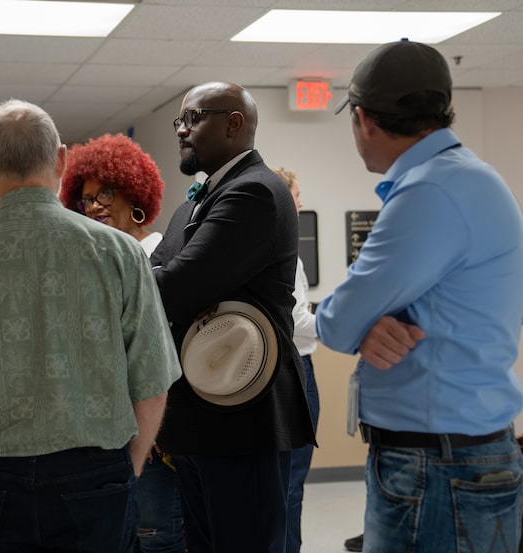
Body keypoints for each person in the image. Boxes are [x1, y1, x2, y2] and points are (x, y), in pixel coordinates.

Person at [0, 99, 181, 553]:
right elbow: (152, 385)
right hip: (96, 475)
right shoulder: (121, 253)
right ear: (63, 161)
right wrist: (129, 467)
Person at [317, 39, 523, 553]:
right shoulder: (470, 179)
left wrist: (361, 322)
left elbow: (338, 321)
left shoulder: (430, 192)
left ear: (362, 119)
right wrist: (368, 321)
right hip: (458, 455)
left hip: (436, 465)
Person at [150, 82, 315, 553]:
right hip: (200, 419)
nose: (181, 130)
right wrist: (176, 282)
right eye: (178, 120)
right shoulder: (198, 199)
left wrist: (177, 284)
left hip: (242, 420)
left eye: (193, 117)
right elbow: (158, 277)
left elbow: (169, 289)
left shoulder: (255, 193)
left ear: (234, 122)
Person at [60, 133, 184, 553]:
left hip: (157, 438)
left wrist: (145, 430)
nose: (94, 206)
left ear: (134, 193)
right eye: (86, 199)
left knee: (156, 539)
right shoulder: (101, 262)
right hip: (109, 439)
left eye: (104, 193)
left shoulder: (162, 256)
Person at [272, 167, 320, 553]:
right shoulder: (288, 252)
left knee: (278, 483)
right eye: (297, 195)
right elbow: (295, 320)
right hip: (296, 371)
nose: (301, 203)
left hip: (271, 371)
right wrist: (335, 325)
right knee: (291, 485)